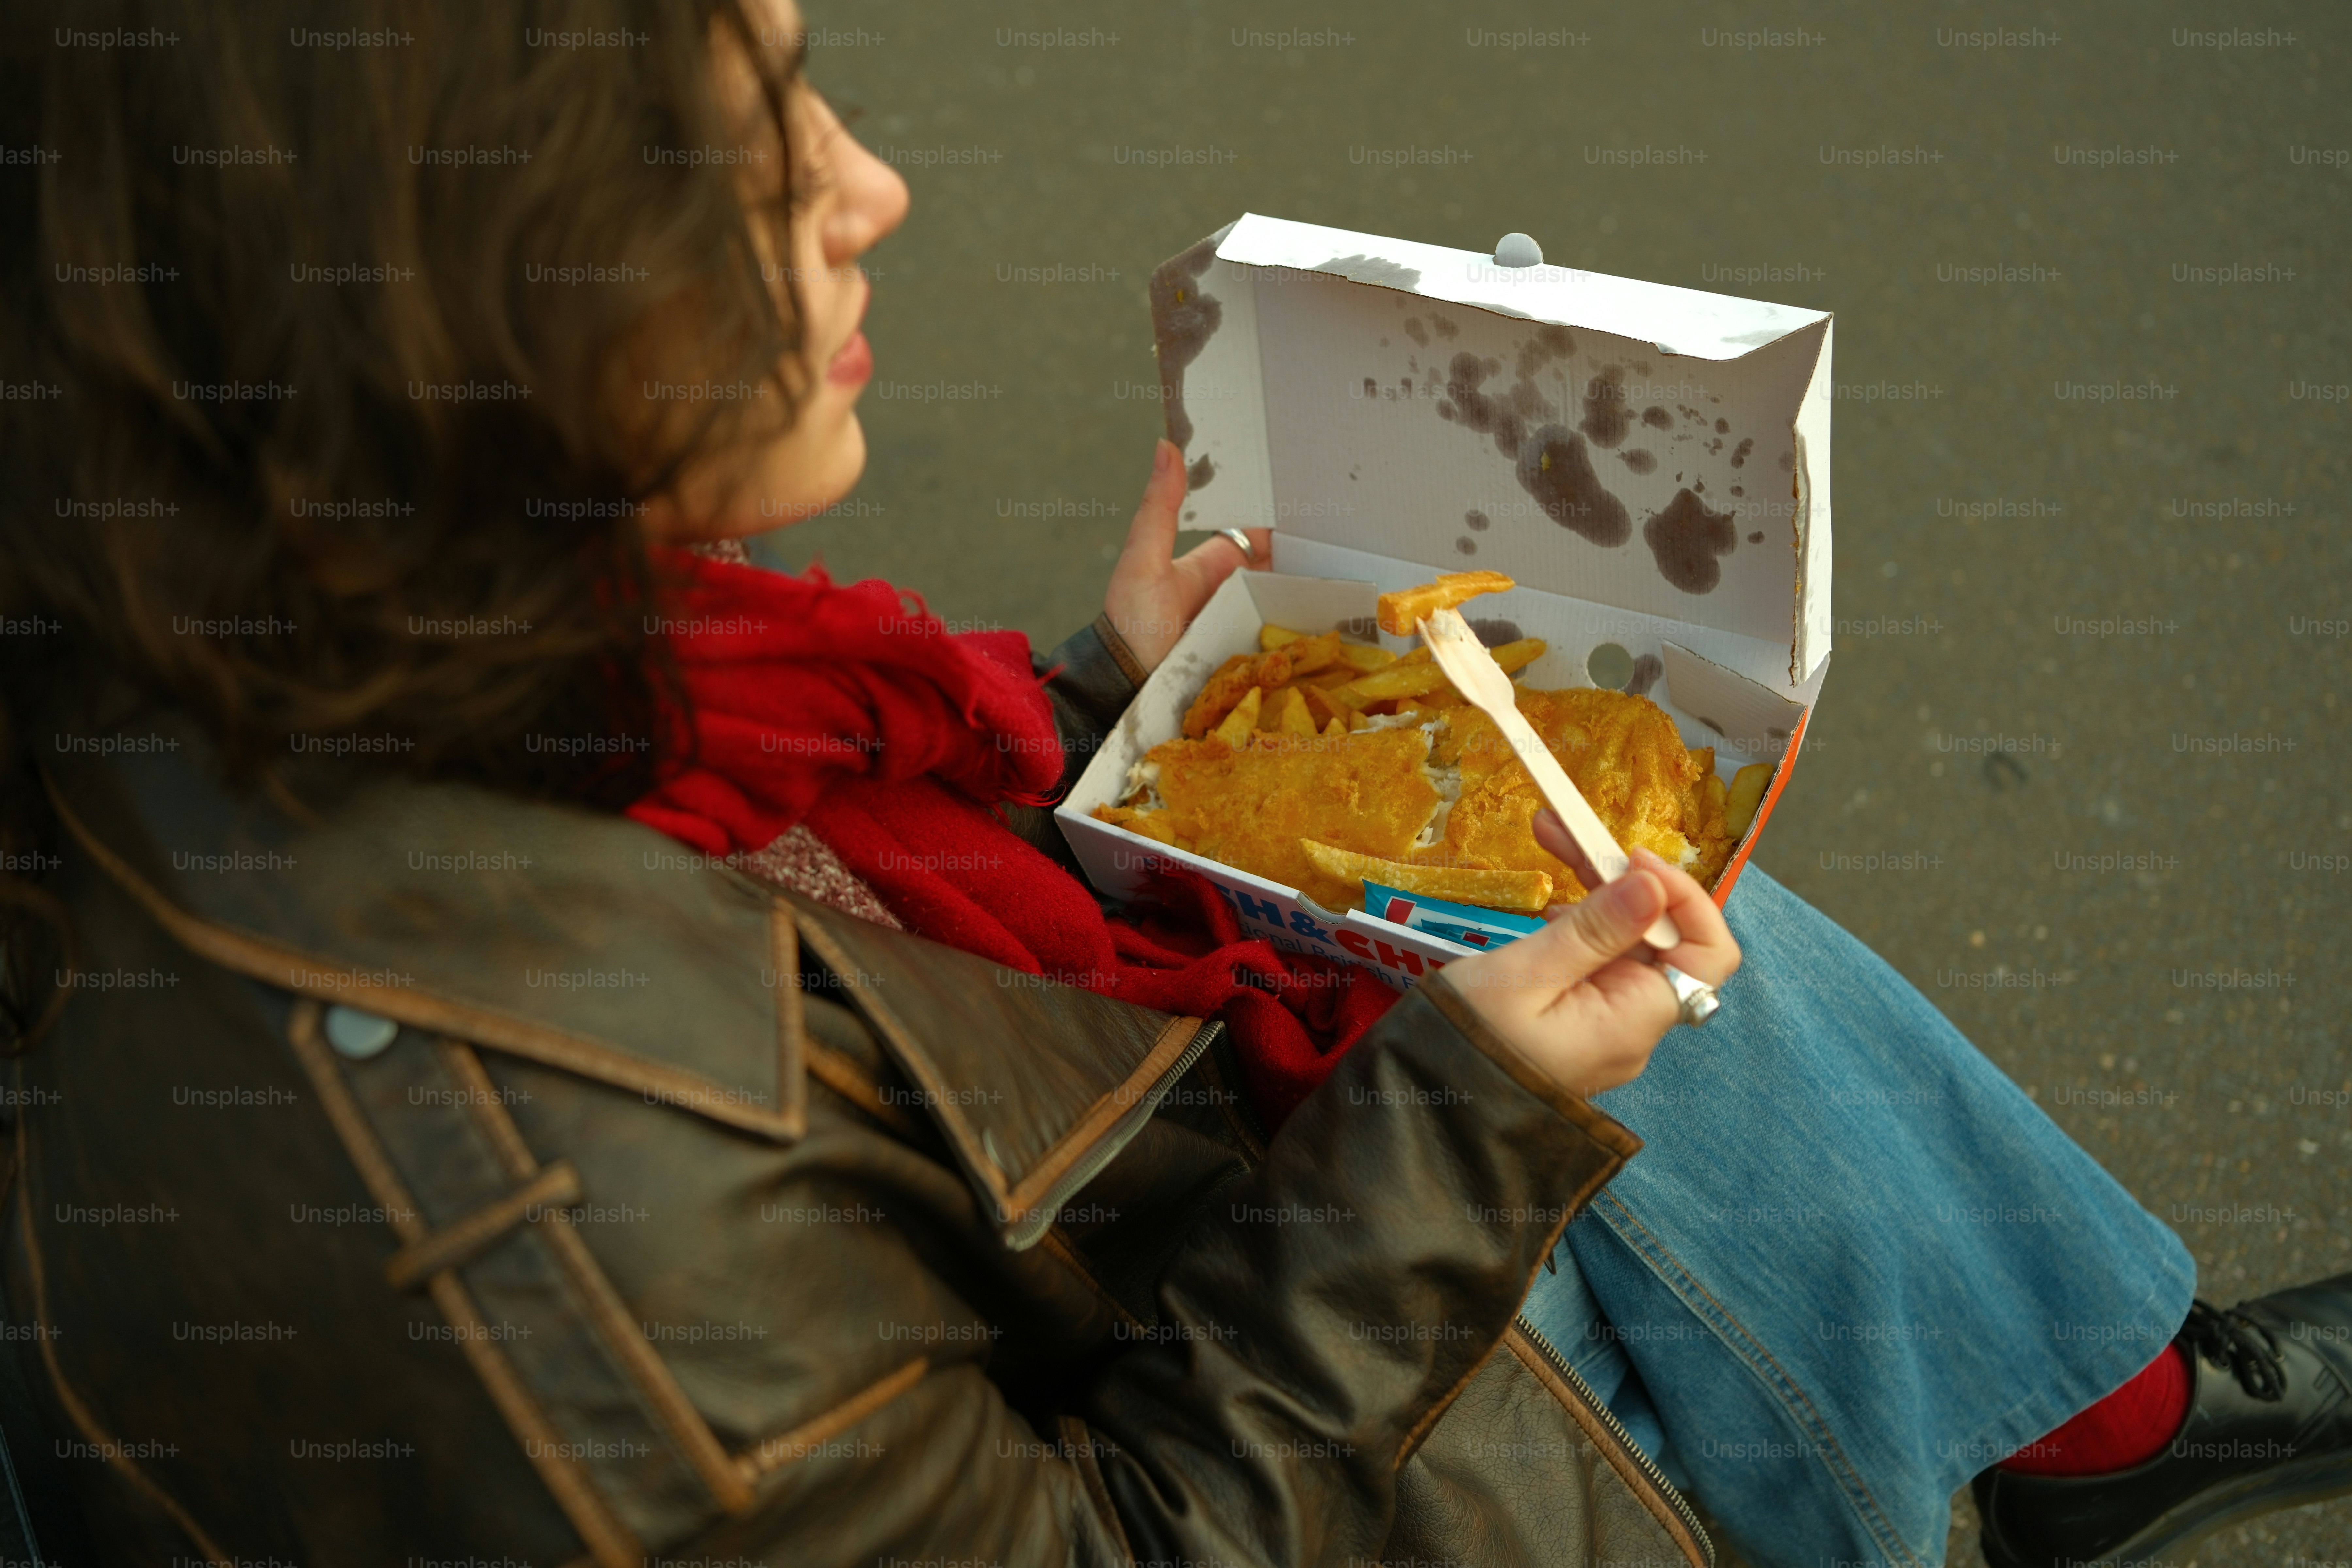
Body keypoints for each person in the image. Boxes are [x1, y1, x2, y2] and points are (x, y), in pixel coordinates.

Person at [1, 3, 2344, 1565]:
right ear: (435, 306)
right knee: (1632, 966)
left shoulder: (294, 651)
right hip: (1261, 1445)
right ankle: (2081, 1422)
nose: (869, 188)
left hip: (1067, 1260)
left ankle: (2081, 1392)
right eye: (727, 163)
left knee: (1467, 819)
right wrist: (1462, 1119)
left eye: (806, 86)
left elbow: (797, 902)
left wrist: (1096, 684)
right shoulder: (561, 1212)